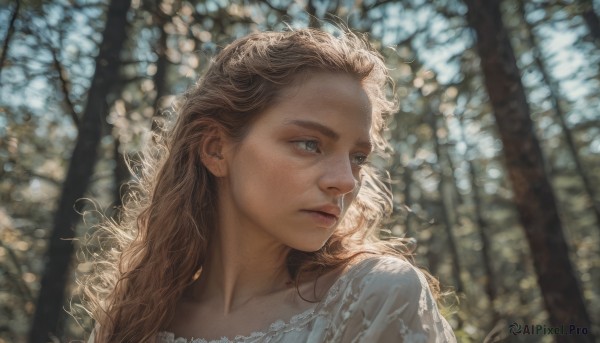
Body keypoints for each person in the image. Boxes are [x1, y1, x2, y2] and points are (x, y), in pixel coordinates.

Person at [82, 26, 456, 342]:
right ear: (215, 150)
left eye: (358, 158)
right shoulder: (134, 319)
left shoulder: (375, 297)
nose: (345, 182)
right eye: (310, 144)